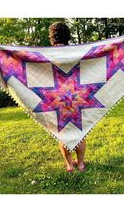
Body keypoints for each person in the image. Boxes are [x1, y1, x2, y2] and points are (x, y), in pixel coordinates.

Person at [48, 22, 86, 173]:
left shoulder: (46, 54)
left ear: (52, 36)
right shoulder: (76, 52)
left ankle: (70, 165)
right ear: (68, 35)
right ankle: (81, 164)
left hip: (56, 99)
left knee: (63, 133)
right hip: (78, 97)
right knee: (81, 131)